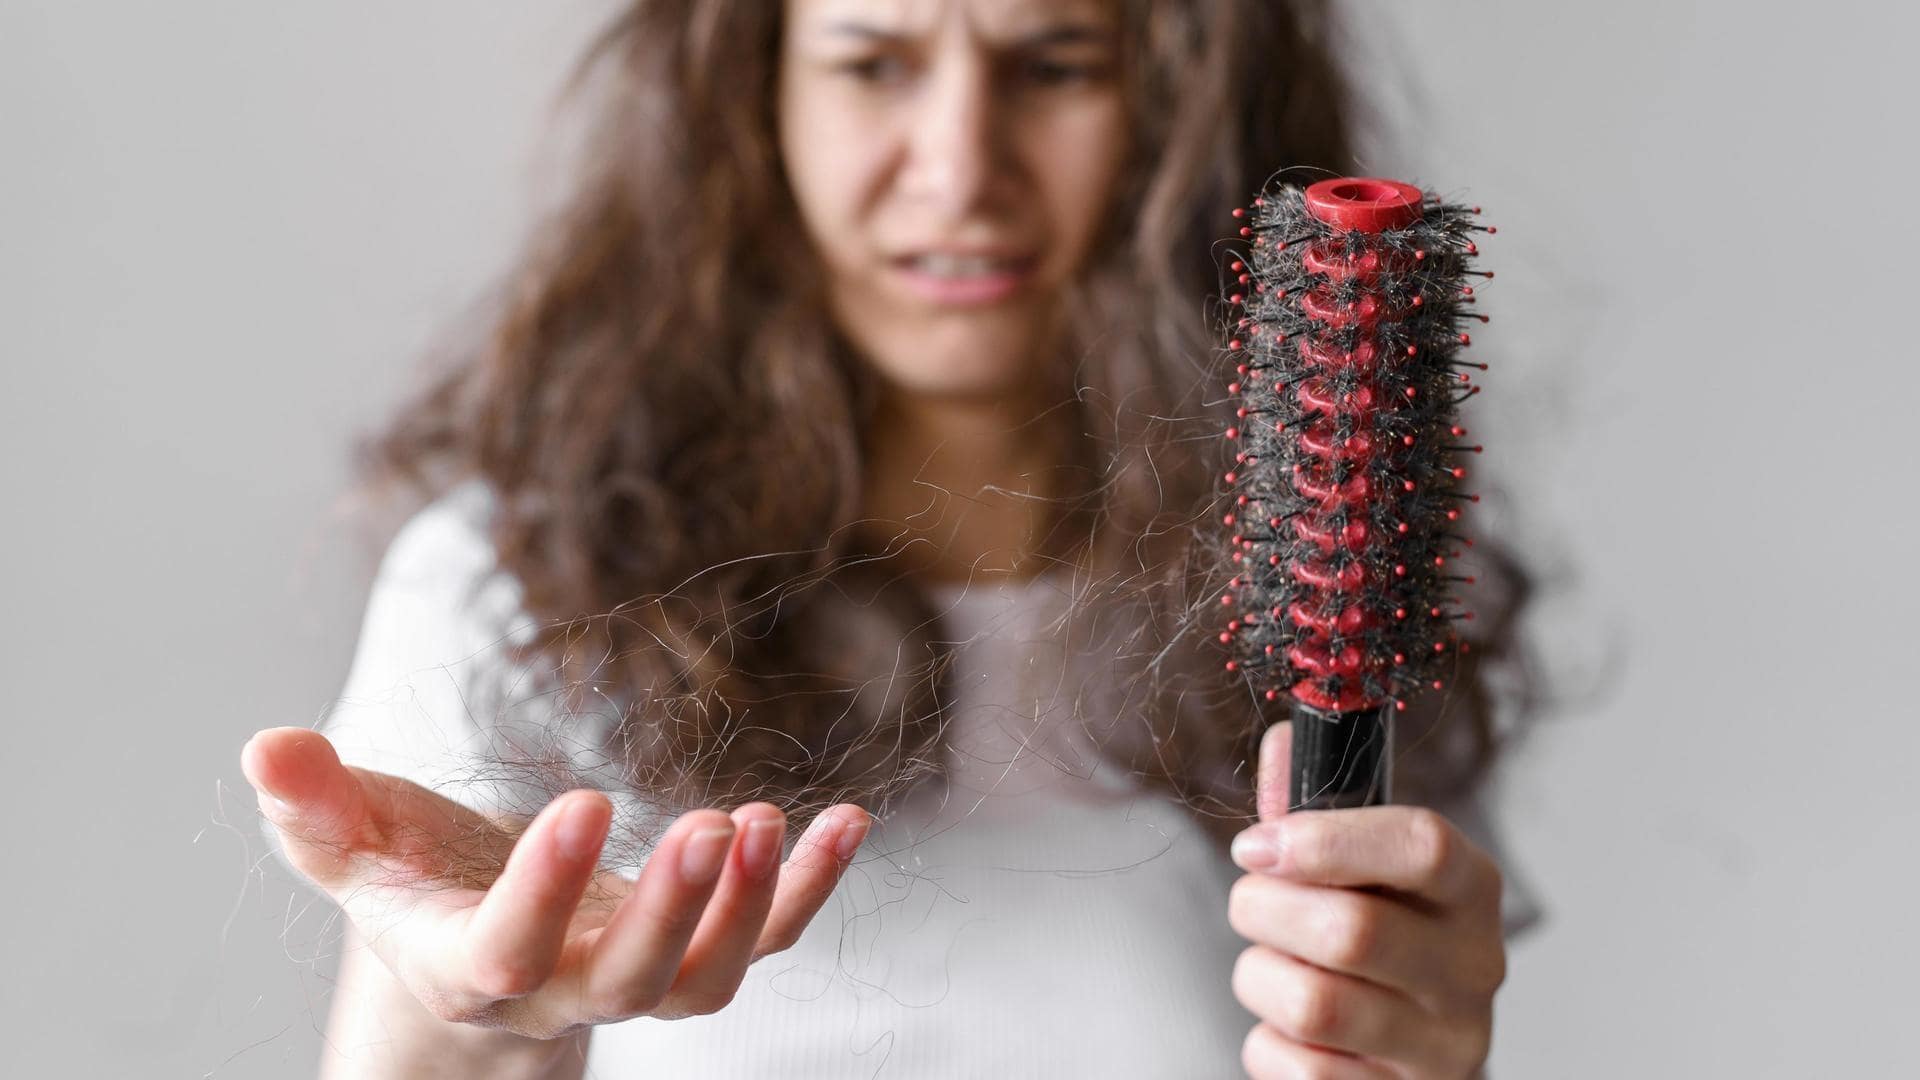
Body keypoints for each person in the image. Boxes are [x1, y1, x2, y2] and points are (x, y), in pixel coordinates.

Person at [242, 1, 1524, 1076]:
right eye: (874, 65)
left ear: (1181, 102)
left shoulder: (1333, 593)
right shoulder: (516, 583)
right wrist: (470, 1005)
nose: (960, 166)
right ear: (758, 98)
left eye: (1053, 65)